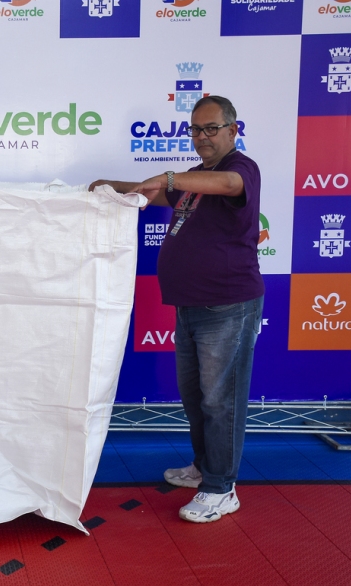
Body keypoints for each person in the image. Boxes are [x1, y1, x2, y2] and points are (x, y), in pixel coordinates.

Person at [90, 96, 263, 523]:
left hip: (227, 306)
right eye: (195, 129)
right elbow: (153, 193)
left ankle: (222, 489)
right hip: (189, 306)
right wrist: (111, 186)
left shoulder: (240, 168)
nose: (202, 137)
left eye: (211, 128)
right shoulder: (195, 180)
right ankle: (204, 468)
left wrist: (168, 176)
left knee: (220, 401)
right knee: (197, 398)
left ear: (232, 130)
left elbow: (229, 186)